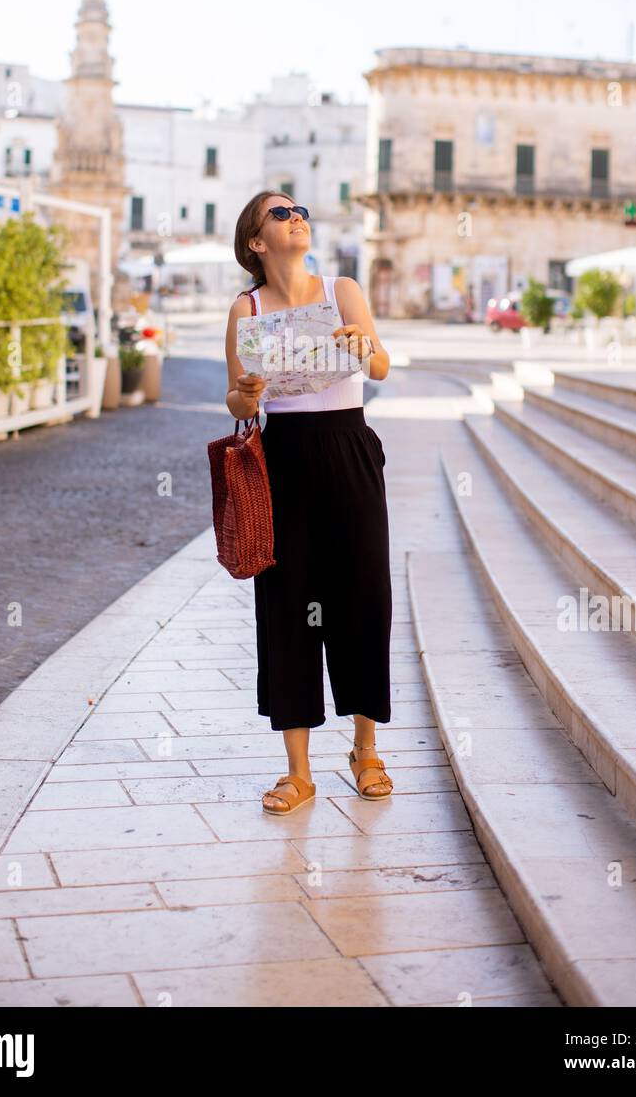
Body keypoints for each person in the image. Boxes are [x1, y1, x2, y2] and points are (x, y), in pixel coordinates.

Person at [224, 190, 394, 814]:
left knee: (363, 595)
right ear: (256, 242)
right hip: (283, 459)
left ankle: (366, 748)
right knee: (288, 604)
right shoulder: (246, 309)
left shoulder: (341, 290)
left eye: (300, 210)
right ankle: (298, 771)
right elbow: (238, 404)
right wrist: (246, 392)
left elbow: (380, 367)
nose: (297, 217)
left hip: (348, 447)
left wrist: (362, 346)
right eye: (281, 213)